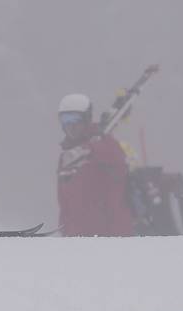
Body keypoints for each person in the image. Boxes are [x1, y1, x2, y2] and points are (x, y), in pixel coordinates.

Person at [55, 94, 135, 237]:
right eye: (65, 120)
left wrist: (90, 149)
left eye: (76, 119)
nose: (71, 126)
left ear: (86, 120)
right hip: (78, 240)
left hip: (112, 238)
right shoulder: (66, 157)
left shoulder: (104, 143)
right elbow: (65, 204)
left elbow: (118, 161)